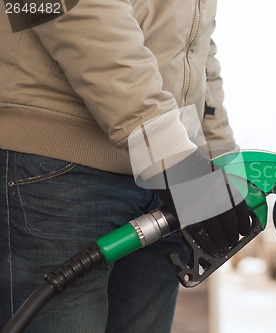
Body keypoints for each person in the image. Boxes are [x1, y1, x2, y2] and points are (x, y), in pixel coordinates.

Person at [0, 0, 250, 331]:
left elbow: (195, 38)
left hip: (164, 168)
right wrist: (170, 152)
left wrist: (216, 153)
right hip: (64, 167)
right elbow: (70, 8)